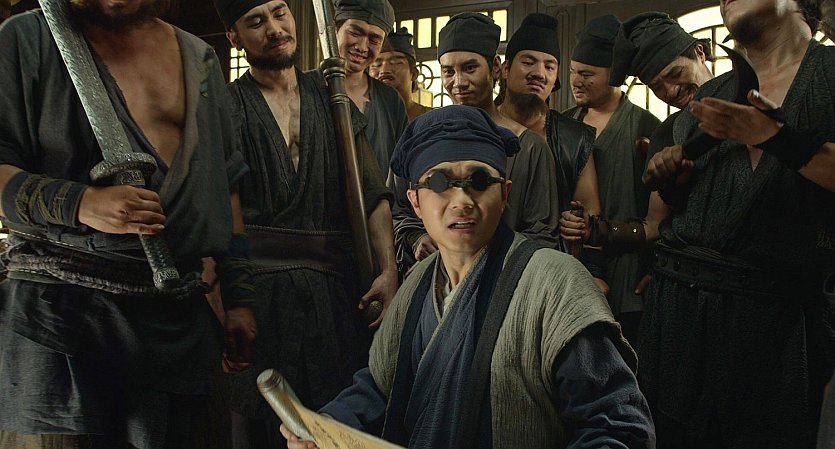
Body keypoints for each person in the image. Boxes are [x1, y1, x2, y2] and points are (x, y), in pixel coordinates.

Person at [281, 106, 655, 449]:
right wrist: (326, 425)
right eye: (439, 183)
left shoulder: (555, 284)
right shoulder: (417, 283)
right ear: (415, 201)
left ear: (505, 194)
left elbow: (616, 425)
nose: (462, 201)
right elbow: (380, 387)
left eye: (479, 180)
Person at [0, 0, 256, 448]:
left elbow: (227, 185)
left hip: (180, 321)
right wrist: (79, 203)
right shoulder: (26, 40)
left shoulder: (198, 58)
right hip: (62, 320)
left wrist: (239, 297)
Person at [639, 0, 835, 446]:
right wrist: (677, 181)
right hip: (679, 322)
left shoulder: (828, 74)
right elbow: (687, 209)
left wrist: (775, 137)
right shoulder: (712, 94)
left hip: (785, 333)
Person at [213, 0, 397, 447]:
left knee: (335, 423)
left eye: (280, 13)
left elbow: (373, 195)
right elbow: (215, 215)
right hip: (257, 298)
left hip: (336, 297)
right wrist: (225, 306)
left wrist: (389, 270)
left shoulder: (330, 95)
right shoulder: (226, 105)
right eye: (256, 22)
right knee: (259, 427)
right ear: (235, 38)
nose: (275, 28)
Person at [561, 11, 716, 304]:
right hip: (680, 287)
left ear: (699, 52)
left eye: (675, 74)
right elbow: (654, 225)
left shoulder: (748, 104)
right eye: (656, 86)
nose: (671, 91)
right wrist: (594, 230)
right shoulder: (667, 134)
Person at [391, 12, 561, 276]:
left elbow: (542, 233)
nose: (458, 82)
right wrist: (417, 238)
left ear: (495, 67)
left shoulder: (529, 147)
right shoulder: (424, 137)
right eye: (448, 71)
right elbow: (396, 210)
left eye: (470, 68)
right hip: (433, 279)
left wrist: (482, 261)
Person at [561, 14, 660, 344]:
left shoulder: (647, 127)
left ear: (614, 75)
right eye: (573, 71)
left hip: (629, 280)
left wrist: (655, 269)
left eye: (587, 74)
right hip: (572, 274)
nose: (576, 81)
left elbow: (667, 215)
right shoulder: (563, 125)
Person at [333, 0, 408, 181]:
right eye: (355, 33)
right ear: (336, 30)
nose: (362, 47)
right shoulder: (305, 88)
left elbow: (402, 167)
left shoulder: (390, 100)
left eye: (374, 39)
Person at [369, 27, 431, 123]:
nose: (384, 70)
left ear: (414, 73)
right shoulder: (360, 119)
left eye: (395, 63)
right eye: (377, 64)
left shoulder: (433, 119)